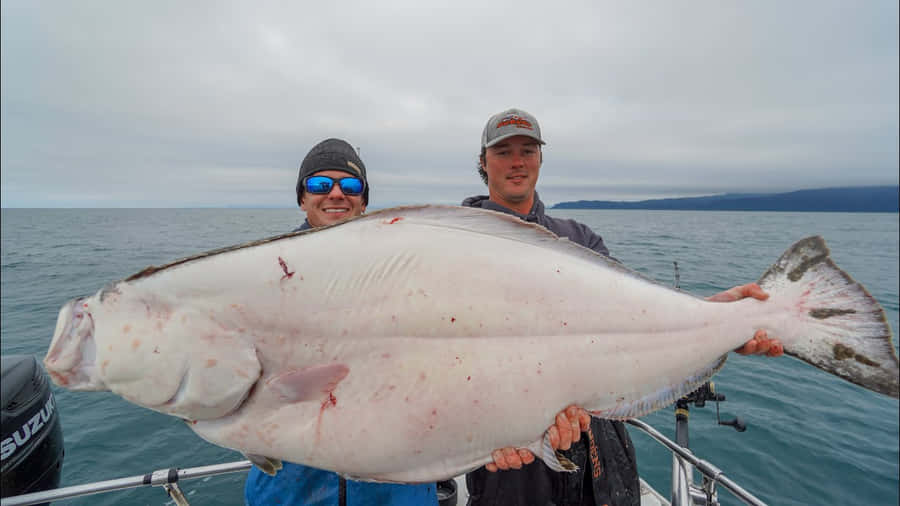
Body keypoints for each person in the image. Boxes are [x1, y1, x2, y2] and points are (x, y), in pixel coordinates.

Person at [462, 108, 783, 506]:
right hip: (509, 462)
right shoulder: (457, 244)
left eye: (528, 150)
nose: (517, 162)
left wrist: (716, 318)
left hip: (603, 458)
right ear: (482, 161)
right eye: (503, 151)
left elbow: (631, 324)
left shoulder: (580, 239)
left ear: (541, 159)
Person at [244, 138, 440, 506]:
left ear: (364, 200)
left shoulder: (409, 275)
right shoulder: (262, 277)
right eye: (320, 184)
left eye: (350, 186)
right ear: (302, 198)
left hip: (399, 488)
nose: (336, 194)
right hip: (289, 491)